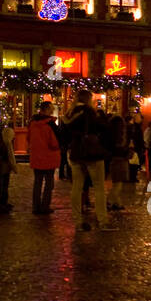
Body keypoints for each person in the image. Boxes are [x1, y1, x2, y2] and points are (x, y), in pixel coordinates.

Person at [65, 90, 114, 232]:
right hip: (92, 153)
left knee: (77, 187)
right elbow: (103, 128)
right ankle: (102, 220)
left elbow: (65, 133)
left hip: (76, 153)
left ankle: (78, 221)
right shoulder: (89, 112)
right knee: (99, 187)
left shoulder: (69, 113)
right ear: (88, 99)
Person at [28, 101, 60, 214]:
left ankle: (36, 207)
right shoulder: (50, 124)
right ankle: (45, 206)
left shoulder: (32, 123)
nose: (52, 111)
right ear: (46, 109)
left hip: (37, 156)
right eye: (51, 108)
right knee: (49, 184)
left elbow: (28, 138)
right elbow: (54, 143)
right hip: (49, 157)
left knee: (37, 183)